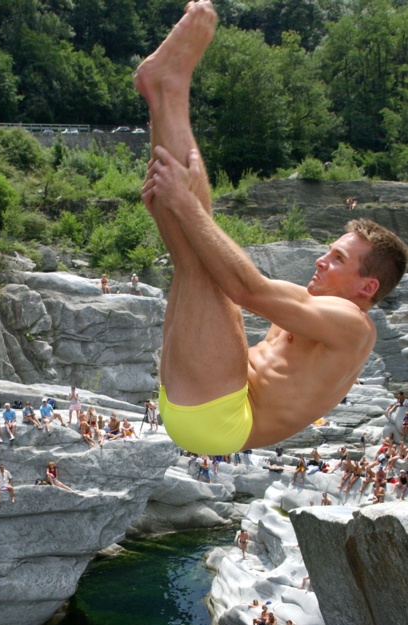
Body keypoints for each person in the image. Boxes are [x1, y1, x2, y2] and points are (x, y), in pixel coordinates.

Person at [135, 1, 408, 456]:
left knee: (205, 252)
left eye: (338, 258)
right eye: (329, 250)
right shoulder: (314, 306)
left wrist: (182, 205)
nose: (322, 259)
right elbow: (218, 267)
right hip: (209, 390)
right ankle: (164, 90)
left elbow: (248, 291)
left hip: (221, 417)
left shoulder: (353, 326)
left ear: (368, 285)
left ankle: (168, 89)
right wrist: (168, 211)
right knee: (196, 256)